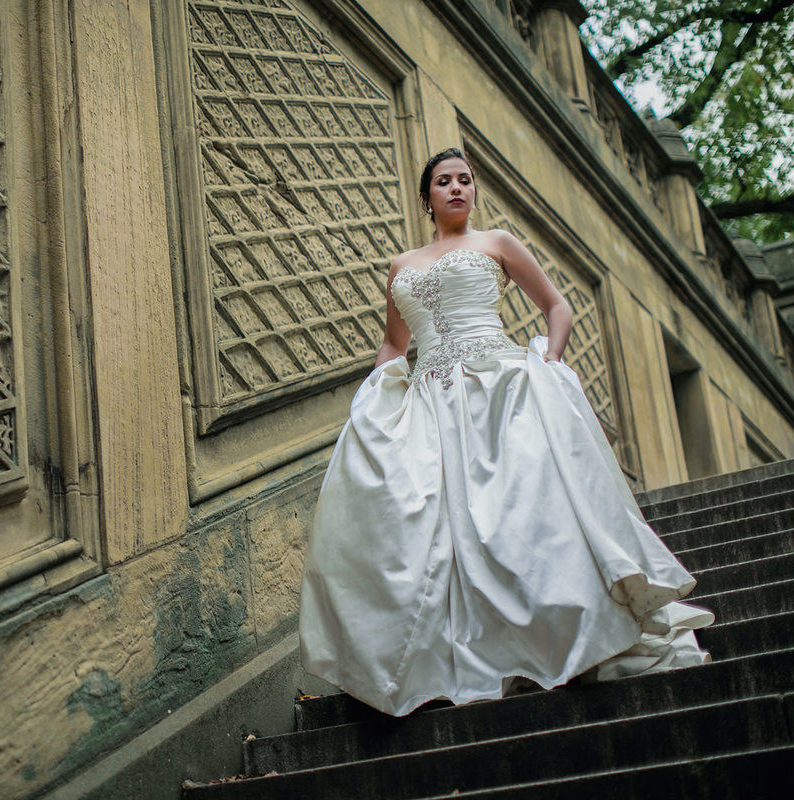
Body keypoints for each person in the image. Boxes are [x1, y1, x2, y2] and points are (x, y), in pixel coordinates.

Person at [298, 148, 712, 717]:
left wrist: (551, 361)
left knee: (519, 515)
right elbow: (396, 345)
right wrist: (374, 399)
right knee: (442, 529)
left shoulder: (498, 243)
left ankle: (564, 631)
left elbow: (557, 306)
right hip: (431, 404)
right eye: (444, 181)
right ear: (428, 197)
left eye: (466, 179)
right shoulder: (401, 267)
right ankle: (479, 652)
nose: (457, 188)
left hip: (501, 388)